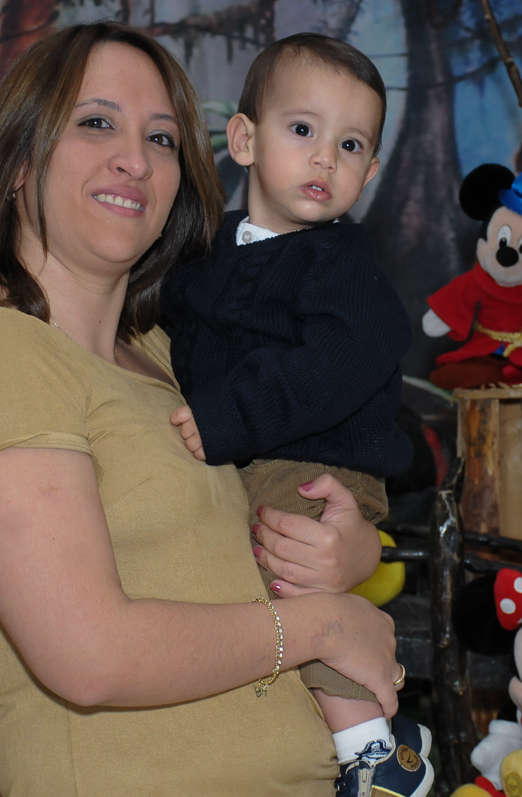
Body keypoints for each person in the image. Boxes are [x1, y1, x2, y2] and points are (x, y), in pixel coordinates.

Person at [0, 23, 405, 796]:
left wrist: (351, 552)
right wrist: (323, 625)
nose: (135, 159)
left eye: (163, 137)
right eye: (95, 122)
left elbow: (268, 518)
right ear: (18, 158)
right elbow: (89, 655)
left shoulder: (175, 355)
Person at [161, 34, 430, 797]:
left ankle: (374, 752)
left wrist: (226, 416)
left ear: (371, 172)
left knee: (295, 584)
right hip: (247, 458)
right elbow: (173, 328)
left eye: (350, 145)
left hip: (318, 463)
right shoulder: (210, 255)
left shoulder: (342, 265)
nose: (324, 159)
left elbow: (341, 362)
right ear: (244, 139)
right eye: (303, 130)